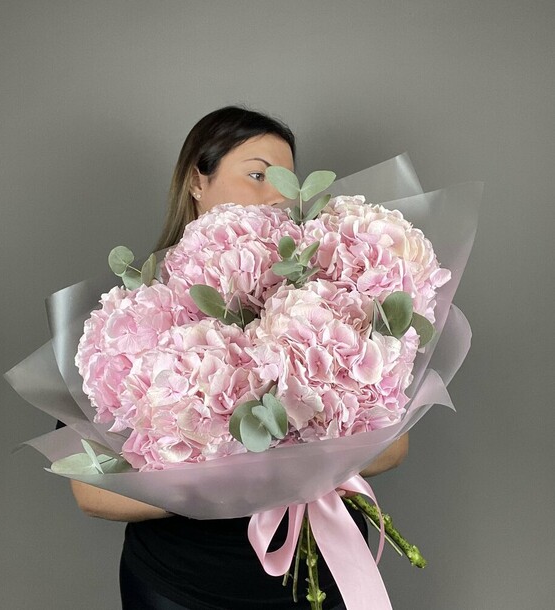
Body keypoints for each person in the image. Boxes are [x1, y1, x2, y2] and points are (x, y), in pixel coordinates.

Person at [69, 106, 409, 609]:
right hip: (180, 589)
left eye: (288, 182)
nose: (276, 196)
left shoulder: (328, 299)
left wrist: (296, 435)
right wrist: (234, 468)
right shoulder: (127, 318)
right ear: (196, 181)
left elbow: (392, 447)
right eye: (257, 175)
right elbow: (93, 493)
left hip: (318, 580)